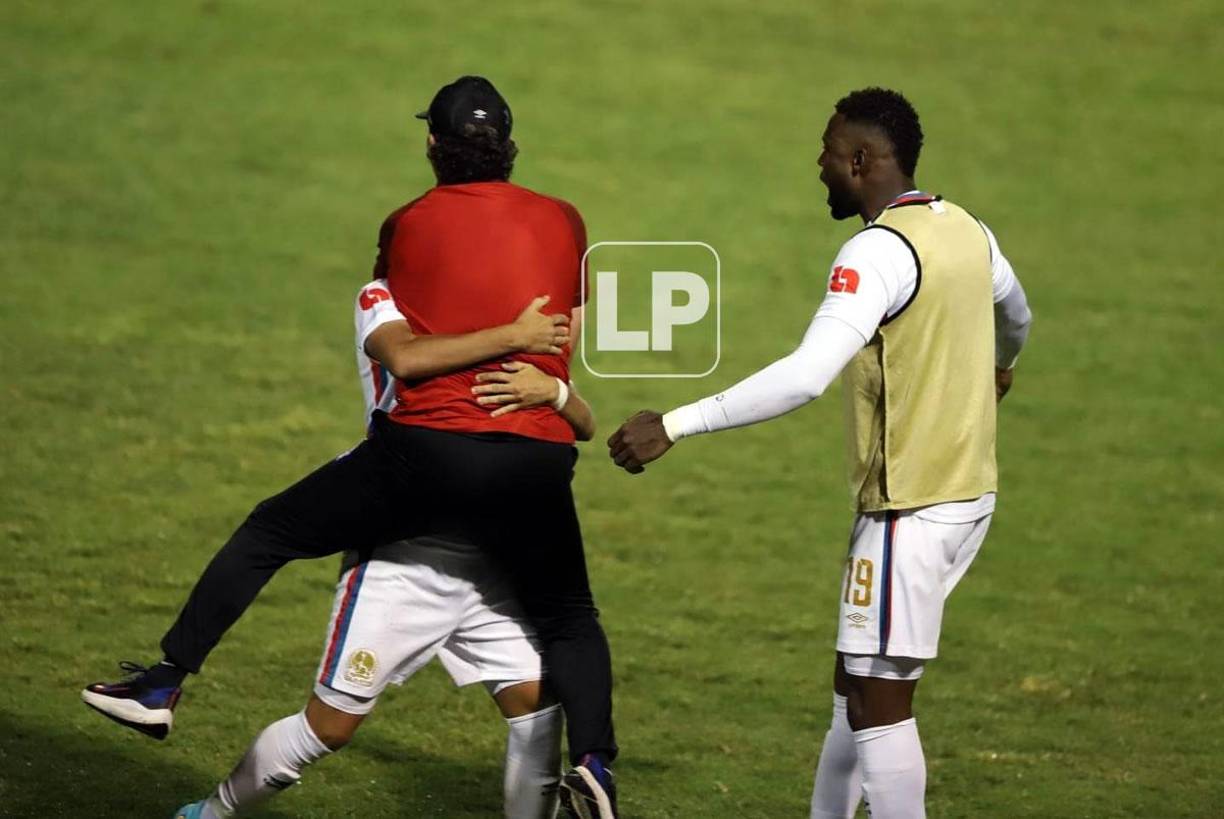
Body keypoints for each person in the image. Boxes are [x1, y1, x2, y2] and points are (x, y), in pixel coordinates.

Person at [83, 75, 619, 818]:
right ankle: (600, 763)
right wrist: (535, 360)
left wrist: (548, 385)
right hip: (496, 489)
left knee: (273, 531)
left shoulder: (405, 232)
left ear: (432, 145)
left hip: (429, 478)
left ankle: (166, 677)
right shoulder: (563, 220)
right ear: (510, 144)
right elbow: (550, 337)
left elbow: (415, 355)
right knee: (559, 624)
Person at [607, 88, 1033, 819]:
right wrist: (999, 367)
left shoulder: (877, 252)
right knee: (854, 684)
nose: (820, 165)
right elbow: (1017, 313)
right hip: (969, 498)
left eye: (830, 153)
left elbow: (806, 376)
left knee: (879, 702)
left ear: (863, 160)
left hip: (912, 506)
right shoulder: (967, 228)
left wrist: (675, 424)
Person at [172, 277, 596, 819]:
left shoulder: (496, 294)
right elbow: (405, 359)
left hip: (493, 553)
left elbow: (575, 403)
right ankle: (211, 814)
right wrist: (513, 334)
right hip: (405, 548)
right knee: (330, 727)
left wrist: (556, 378)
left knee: (538, 709)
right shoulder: (387, 297)